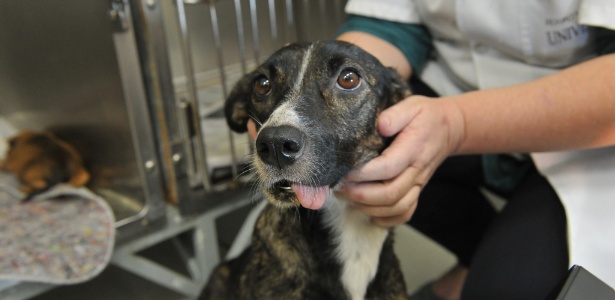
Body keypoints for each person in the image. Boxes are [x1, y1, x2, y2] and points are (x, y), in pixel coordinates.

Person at [329, 1, 615, 299]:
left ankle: (484, 265)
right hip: (452, 88)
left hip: (585, 135)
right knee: (371, 142)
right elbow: (387, 27)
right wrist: (329, 83)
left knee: (504, 291)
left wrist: (458, 124)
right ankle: (479, 254)